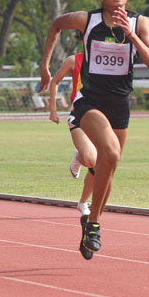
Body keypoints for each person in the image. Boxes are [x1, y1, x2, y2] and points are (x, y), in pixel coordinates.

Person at [39, 0, 149, 260]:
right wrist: (45, 66)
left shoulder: (140, 23)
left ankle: (91, 223)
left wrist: (131, 35)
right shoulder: (87, 19)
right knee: (112, 154)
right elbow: (56, 25)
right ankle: (93, 225)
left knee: (108, 167)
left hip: (119, 104)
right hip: (89, 101)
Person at [48, 53, 96, 216]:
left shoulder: (110, 59)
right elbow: (55, 81)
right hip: (79, 114)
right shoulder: (74, 60)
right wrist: (53, 110)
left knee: (99, 164)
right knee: (90, 159)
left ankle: (83, 203)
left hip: (103, 117)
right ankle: (81, 155)